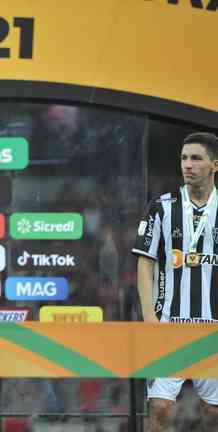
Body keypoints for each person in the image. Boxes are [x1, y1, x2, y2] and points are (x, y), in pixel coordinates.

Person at [133, 132, 218, 432]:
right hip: (169, 325)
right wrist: (149, 318)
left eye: (196, 158)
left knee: (213, 413)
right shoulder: (162, 206)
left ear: (214, 165)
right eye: (184, 158)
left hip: (213, 328)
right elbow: (144, 264)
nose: (188, 165)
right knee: (158, 408)